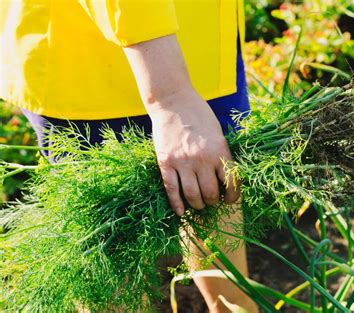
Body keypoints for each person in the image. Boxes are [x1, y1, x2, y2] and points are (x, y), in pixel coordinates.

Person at [0, 0, 258, 312]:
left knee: (213, 195)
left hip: (200, 42)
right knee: (112, 266)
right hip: (90, 60)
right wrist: (170, 96)